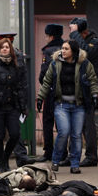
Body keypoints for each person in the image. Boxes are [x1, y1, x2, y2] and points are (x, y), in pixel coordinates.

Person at [36, 40, 98, 174]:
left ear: (74, 51)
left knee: (76, 135)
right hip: (61, 105)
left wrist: (94, 95)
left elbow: (93, 80)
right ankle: (55, 160)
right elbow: (46, 82)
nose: (63, 51)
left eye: (66, 49)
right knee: (64, 132)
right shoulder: (55, 64)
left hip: (78, 106)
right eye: (62, 48)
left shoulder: (85, 64)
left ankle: (75, 164)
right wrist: (40, 97)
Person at [0, 32, 35, 167]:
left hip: (12, 105)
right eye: (3, 46)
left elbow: (21, 85)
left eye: (8, 45)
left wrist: (24, 106)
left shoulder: (16, 62)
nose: (6, 48)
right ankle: (0, 163)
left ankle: (8, 157)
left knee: (15, 134)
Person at [69, 17, 98, 167]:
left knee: (88, 124)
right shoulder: (83, 40)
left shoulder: (95, 43)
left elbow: (86, 52)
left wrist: (75, 34)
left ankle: (91, 157)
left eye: (78, 34)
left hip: (88, 87)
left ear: (84, 32)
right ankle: (73, 155)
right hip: (77, 87)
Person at [36, 24, 64, 163]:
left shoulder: (48, 51)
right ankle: (63, 152)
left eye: (46, 35)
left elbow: (44, 73)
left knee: (48, 121)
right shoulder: (67, 48)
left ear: (51, 36)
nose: (45, 38)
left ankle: (49, 151)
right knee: (62, 123)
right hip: (65, 92)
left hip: (51, 91)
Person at [23, 180, 98, 196]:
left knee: (53, 192)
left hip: (63, 185)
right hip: (79, 186)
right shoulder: (89, 188)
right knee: (72, 191)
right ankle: (68, 195)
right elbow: (96, 192)